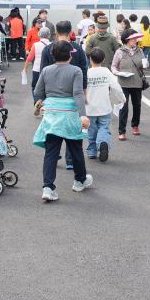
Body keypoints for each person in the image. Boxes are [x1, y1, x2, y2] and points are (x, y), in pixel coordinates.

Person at [33, 40, 92, 202]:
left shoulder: (46, 70)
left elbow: (38, 92)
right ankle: (79, 181)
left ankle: (48, 187)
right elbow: (78, 94)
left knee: (51, 152)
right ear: (70, 55)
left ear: (52, 55)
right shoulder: (76, 71)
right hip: (70, 115)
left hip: (51, 115)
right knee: (76, 150)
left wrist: (40, 103)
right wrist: (83, 115)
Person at [85, 47, 124, 161]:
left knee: (91, 129)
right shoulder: (106, 72)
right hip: (104, 106)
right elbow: (116, 86)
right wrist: (122, 98)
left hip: (90, 107)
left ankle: (92, 151)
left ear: (90, 59)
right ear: (103, 59)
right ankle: (103, 142)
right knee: (104, 127)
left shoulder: (87, 73)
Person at [112, 28, 147, 141]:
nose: (136, 40)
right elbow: (113, 66)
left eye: (136, 38)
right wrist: (117, 73)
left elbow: (144, 64)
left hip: (137, 82)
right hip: (124, 82)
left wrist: (146, 64)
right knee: (124, 107)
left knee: (137, 106)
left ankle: (135, 126)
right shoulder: (120, 51)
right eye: (133, 38)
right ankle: (121, 131)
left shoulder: (140, 51)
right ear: (127, 40)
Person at [23, 26, 52, 91]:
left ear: (39, 35)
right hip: (50, 69)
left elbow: (29, 58)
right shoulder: (52, 45)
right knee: (48, 88)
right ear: (49, 35)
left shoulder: (35, 45)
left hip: (37, 69)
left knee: (35, 87)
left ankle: (36, 100)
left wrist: (25, 69)